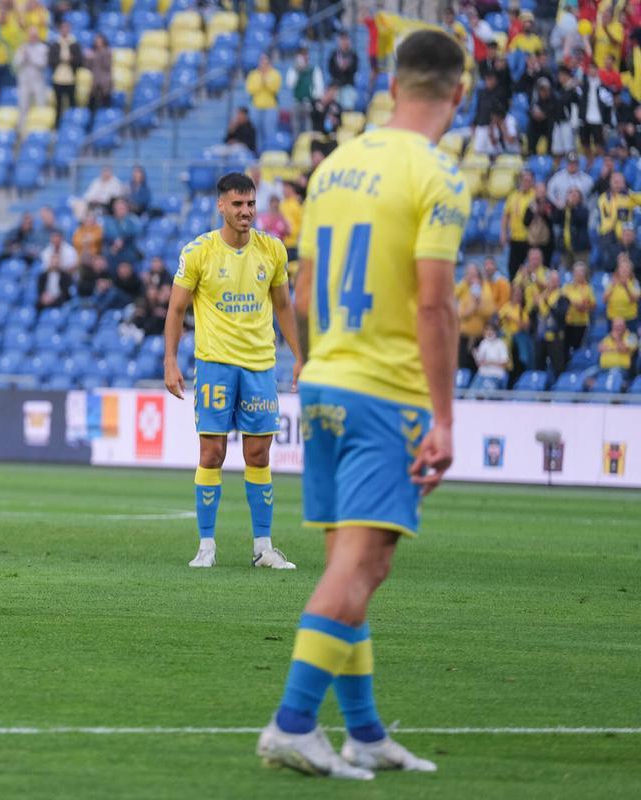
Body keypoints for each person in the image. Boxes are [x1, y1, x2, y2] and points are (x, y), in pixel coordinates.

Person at [260, 30, 468, 778]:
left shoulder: (334, 167)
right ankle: (291, 723)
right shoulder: (439, 176)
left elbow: (305, 288)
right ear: (458, 92)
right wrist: (444, 418)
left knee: (349, 567)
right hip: (385, 391)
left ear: (391, 84)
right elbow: (434, 306)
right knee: (359, 568)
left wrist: (314, 367)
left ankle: (366, 734)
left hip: (325, 381)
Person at [164, 171, 302, 572]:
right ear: (221, 206)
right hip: (215, 365)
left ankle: (263, 547)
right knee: (212, 453)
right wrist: (170, 360)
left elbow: (284, 306)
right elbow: (176, 308)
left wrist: (301, 357)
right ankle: (206, 545)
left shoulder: (272, 250)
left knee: (258, 453)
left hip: (259, 365)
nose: (246, 211)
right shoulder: (199, 252)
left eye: (251, 203)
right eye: (238, 204)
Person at [501, 171, 535, 280]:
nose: (526, 183)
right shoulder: (513, 196)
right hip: (515, 238)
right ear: (520, 181)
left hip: (530, 239)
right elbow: (506, 215)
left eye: (529, 180)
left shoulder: (534, 196)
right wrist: (503, 233)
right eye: (524, 180)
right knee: (513, 269)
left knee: (531, 270)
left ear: (532, 182)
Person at [14, 27, 49, 128]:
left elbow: (43, 64)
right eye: (31, 35)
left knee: (40, 105)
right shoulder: (22, 48)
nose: (32, 37)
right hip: (24, 82)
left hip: (38, 81)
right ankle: (22, 129)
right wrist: (23, 58)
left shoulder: (43, 48)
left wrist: (31, 58)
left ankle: (40, 128)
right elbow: (16, 63)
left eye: (34, 36)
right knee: (23, 106)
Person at [246, 54, 282, 151]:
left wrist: (265, 80)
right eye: (261, 61)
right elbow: (251, 89)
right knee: (257, 132)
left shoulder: (275, 74)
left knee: (270, 131)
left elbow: (274, 88)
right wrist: (262, 81)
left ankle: (270, 152)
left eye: (265, 61)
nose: (263, 64)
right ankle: (259, 152)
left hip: (270, 107)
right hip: (256, 106)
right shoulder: (253, 74)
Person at [48, 20, 81, 124]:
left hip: (71, 78)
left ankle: (73, 123)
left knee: (72, 103)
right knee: (58, 104)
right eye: (63, 28)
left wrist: (72, 59)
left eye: (67, 28)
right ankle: (58, 125)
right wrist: (60, 59)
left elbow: (80, 61)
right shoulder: (55, 44)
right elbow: (51, 61)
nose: (65, 30)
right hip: (58, 78)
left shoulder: (74, 44)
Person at [562, 262, 595, 353]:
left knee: (578, 349)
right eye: (577, 271)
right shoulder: (567, 287)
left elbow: (593, 305)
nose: (580, 274)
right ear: (573, 273)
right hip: (567, 322)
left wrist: (584, 306)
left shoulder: (588, 288)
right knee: (565, 348)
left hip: (581, 323)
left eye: (582, 271)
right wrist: (574, 303)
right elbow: (562, 301)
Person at [605, 259, 641, 330]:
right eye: (622, 267)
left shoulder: (635, 282)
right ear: (618, 269)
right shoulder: (611, 281)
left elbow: (634, 299)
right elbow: (604, 300)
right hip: (613, 319)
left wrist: (626, 287)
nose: (624, 269)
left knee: (631, 337)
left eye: (627, 267)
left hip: (629, 319)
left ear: (631, 270)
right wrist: (612, 286)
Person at [474, 321, 509, 386]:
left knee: (484, 391)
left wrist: (488, 362)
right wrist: (475, 355)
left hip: (496, 375)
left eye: (491, 330)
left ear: (496, 332)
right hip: (482, 374)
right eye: (487, 330)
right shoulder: (483, 343)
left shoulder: (501, 344)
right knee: (470, 392)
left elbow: (504, 363)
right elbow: (479, 363)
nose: (489, 332)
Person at [86, 33, 113, 116]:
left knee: (105, 102)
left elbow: (107, 65)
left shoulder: (107, 52)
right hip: (95, 81)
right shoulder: (93, 52)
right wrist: (88, 58)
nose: (98, 43)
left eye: (100, 41)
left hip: (105, 81)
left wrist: (96, 56)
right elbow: (88, 67)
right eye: (97, 41)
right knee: (92, 103)